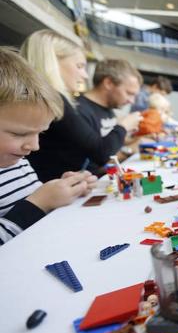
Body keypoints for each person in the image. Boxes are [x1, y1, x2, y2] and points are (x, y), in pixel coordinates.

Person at [0, 48, 96, 246]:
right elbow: (34, 205)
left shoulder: (17, 162)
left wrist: (62, 191)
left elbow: (33, 207)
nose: (34, 146)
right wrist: (40, 202)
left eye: (40, 133)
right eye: (19, 134)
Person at [22, 31, 141, 182]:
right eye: (79, 66)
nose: (85, 75)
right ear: (53, 61)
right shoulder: (55, 100)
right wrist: (124, 126)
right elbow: (100, 152)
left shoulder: (46, 99)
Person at [76, 59, 143, 175]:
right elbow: (99, 161)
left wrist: (138, 141)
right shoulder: (78, 111)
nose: (131, 101)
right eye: (129, 93)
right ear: (109, 83)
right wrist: (129, 147)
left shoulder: (108, 108)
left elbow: (109, 141)